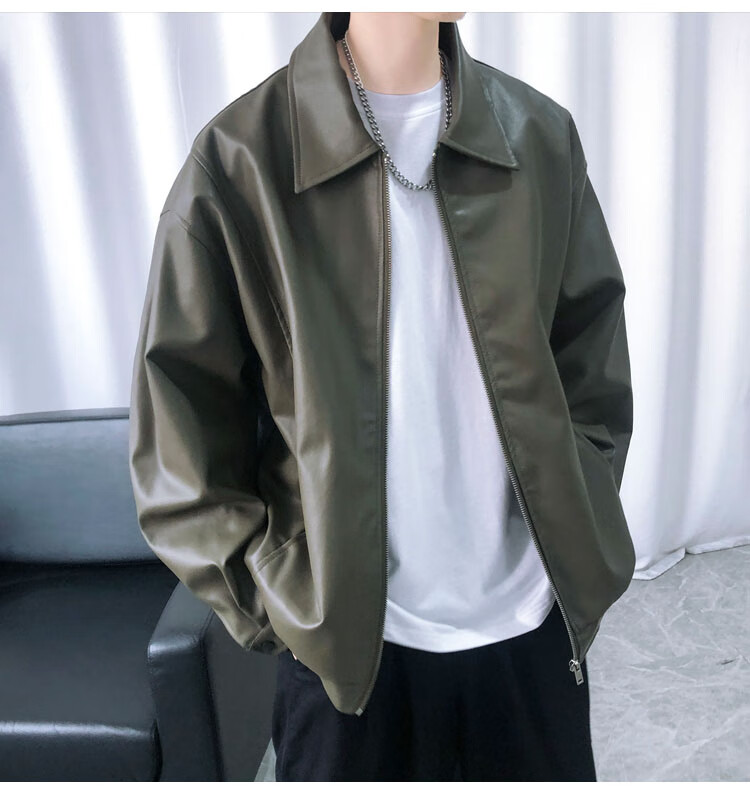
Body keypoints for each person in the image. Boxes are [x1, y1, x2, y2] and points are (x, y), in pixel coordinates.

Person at [129, 10, 635, 782]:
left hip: (532, 626)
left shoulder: (538, 137)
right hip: (350, 660)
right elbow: (180, 436)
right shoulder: (241, 161)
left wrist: (581, 507)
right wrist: (285, 602)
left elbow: (590, 358)